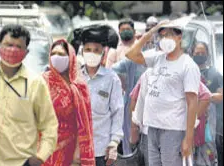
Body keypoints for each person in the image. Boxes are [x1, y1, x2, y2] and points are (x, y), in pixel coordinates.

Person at [126, 19, 201, 166]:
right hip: (153, 127)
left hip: (172, 129)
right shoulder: (158, 58)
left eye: (170, 35)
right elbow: (131, 54)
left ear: (179, 37)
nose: (165, 39)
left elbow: (192, 102)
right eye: (163, 35)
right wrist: (152, 32)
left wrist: (188, 138)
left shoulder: (188, 65)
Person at [0, 24, 58, 166]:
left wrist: (39, 157)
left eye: (18, 46)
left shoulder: (36, 83)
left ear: (26, 52)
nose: (12, 50)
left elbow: (50, 125)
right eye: (8, 44)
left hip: (21, 162)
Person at [42, 39, 95, 166]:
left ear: (70, 57)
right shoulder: (43, 81)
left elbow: (84, 123)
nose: (56, 57)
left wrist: (78, 152)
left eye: (61, 54)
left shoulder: (79, 85)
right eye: (53, 54)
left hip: (70, 150)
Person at [79, 24, 124, 166]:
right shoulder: (75, 77)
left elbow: (117, 112)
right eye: (88, 50)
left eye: (96, 50)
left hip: (101, 150)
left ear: (103, 53)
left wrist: (114, 142)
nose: (91, 53)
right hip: (76, 151)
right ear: (82, 52)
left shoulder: (111, 79)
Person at [192, 42, 223, 166]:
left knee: (208, 152)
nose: (200, 55)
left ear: (207, 55)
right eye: (197, 53)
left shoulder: (214, 74)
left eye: (202, 53)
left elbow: (221, 96)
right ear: (191, 54)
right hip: (189, 120)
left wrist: (205, 98)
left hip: (208, 123)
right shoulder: (187, 72)